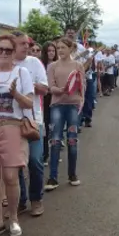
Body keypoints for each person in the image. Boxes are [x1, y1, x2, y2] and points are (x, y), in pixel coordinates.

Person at [0, 35, 34, 236]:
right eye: (0, 49)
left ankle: (13, 218)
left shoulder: (22, 72)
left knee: (11, 177)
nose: (3, 53)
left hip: (12, 126)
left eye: (8, 50)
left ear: (14, 53)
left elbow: (29, 103)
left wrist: (15, 95)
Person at [12, 31, 48, 218]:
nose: (26, 46)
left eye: (27, 43)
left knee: (35, 161)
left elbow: (45, 89)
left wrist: (26, 85)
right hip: (10, 122)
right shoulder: (4, 64)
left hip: (33, 121)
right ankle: (20, 200)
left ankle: (36, 199)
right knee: (15, 164)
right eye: (22, 44)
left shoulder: (34, 63)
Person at [45, 38, 86, 190]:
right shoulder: (52, 66)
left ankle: (72, 174)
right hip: (57, 105)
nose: (60, 50)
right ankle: (53, 177)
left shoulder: (78, 65)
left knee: (72, 140)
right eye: (58, 48)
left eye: (63, 47)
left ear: (70, 49)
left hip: (73, 106)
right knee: (55, 140)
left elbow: (82, 85)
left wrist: (81, 100)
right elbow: (51, 86)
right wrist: (61, 90)